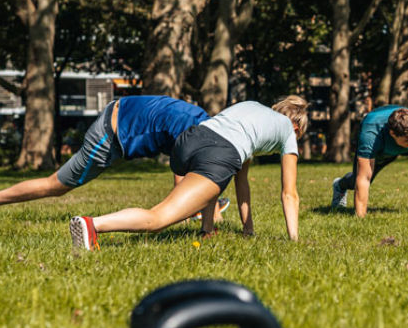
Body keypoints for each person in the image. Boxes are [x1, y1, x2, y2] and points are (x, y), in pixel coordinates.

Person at [68, 96, 308, 250]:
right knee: (159, 217)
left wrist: (248, 230)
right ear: (296, 126)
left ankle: (206, 229)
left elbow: (241, 184)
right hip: (220, 153)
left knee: (211, 179)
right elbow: (290, 195)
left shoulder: (253, 109)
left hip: (190, 141)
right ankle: (93, 225)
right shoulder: (287, 130)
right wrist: (294, 241)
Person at [0, 95, 228, 225]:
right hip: (109, 134)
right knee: (57, 185)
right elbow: (184, 174)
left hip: (122, 114)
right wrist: (205, 211)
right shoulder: (191, 132)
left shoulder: (201, 121)